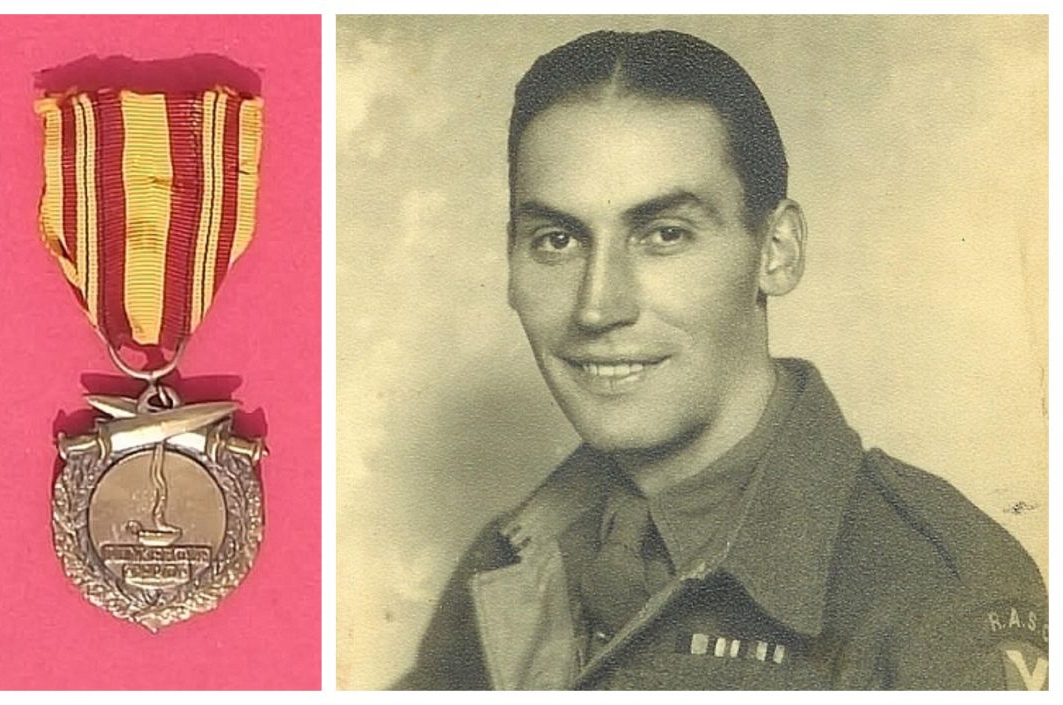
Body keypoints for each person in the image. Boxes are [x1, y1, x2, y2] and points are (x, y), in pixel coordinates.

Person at [395, 29, 1047, 690]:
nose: (597, 307)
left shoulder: (937, 596)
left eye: (664, 234)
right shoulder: (505, 560)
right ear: (509, 261)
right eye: (557, 239)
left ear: (776, 251)